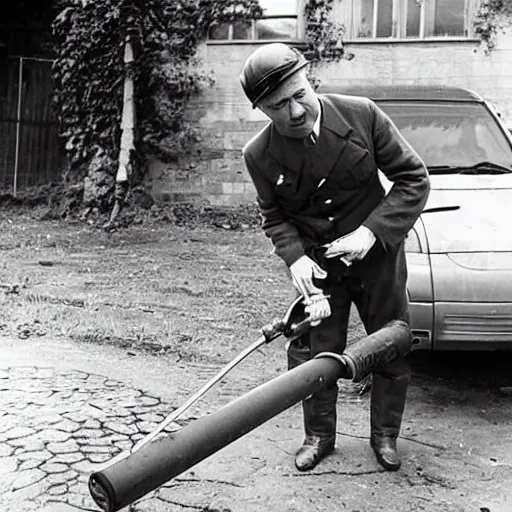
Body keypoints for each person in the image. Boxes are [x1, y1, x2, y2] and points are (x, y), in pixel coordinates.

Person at [239, 43, 430, 472]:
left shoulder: (361, 114)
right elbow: (273, 215)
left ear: (310, 81)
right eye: (278, 106)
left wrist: (371, 233)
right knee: (315, 354)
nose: (294, 112)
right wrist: (294, 259)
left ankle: (384, 436)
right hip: (320, 265)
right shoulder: (258, 154)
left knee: (389, 344)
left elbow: (413, 179)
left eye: (298, 95)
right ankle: (319, 436)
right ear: (262, 110)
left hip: (377, 257)